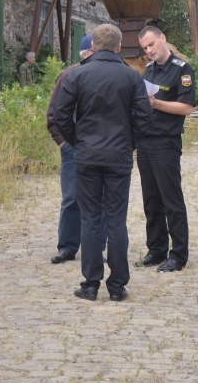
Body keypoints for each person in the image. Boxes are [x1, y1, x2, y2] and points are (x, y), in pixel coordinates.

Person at [54, 24, 151, 302]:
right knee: (116, 219)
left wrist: (78, 141)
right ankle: (118, 286)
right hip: (118, 156)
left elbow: (61, 115)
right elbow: (144, 118)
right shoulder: (133, 77)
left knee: (90, 218)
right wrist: (128, 143)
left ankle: (91, 284)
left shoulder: (78, 74)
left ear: (93, 46)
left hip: (87, 156)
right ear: (119, 47)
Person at [135, 25, 195, 272]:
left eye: (151, 44)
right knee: (151, 200)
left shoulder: (182, 70)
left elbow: (186, 108)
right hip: (145, 141)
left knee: (171, 200)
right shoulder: (149, 71)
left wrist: (156, 103)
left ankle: (178, 255)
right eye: (145, 48)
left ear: (163, 38)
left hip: (166, 142)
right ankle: (156, 249)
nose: (149, 50)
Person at [46, 34, 108, 265]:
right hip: (73, 146)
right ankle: (68, 247)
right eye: (92, 54)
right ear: (85, 54)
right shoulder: (68, 76)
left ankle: (98, 246)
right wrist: (63, 142)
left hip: (100, 145)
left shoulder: (109, 75)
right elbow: (53, 114)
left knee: (101, 197)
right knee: (72, 197)